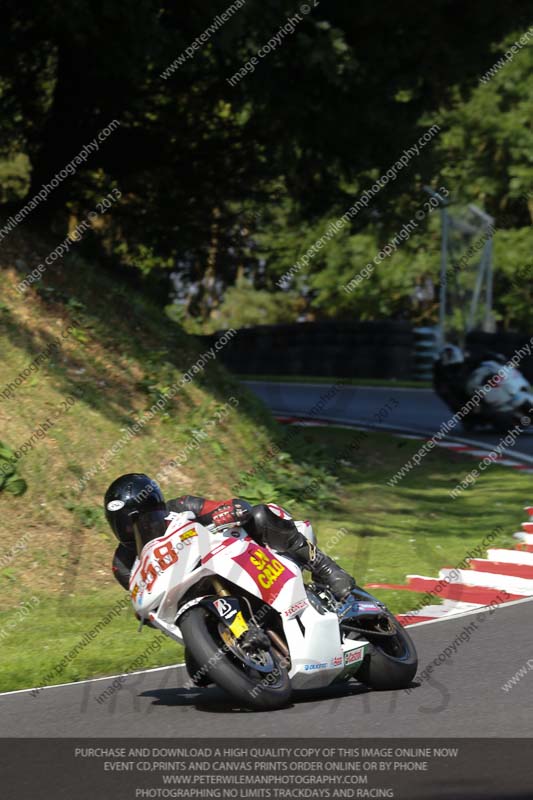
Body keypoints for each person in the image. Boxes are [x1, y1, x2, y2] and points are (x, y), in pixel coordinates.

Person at [105, 473, 355, 601]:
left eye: (140, 521)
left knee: (259, 514)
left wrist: (228, 512)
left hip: (232, 559)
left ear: (157, 509)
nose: (134, 530)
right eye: (125, 525)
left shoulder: (182, 506)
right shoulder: (123, 565)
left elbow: (235, 506)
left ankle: (326, 568)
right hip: (190, 600)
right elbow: (146, 607)